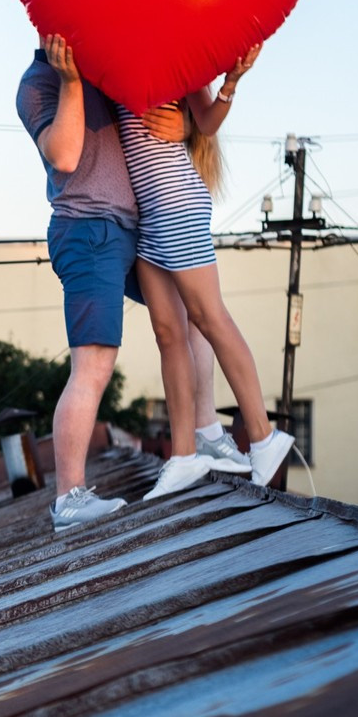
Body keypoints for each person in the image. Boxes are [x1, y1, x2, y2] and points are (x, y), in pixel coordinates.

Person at [18, 34, 214, 530]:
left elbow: (151, 125)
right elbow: (64, 155)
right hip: (89, 231)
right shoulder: (38, 84)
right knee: (93, 365)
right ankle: (69, 498)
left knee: (194, 317)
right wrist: (69, 80)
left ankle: (206, 434)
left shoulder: (103, 69)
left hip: (132, 227)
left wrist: (186, 121)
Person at [117, 45, 296, 492]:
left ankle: (263, 436)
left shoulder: (176, 50)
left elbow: (209, 121)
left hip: (177, 202)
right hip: (147, 215)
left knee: (209, 317)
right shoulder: (114, 48)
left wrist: (230, 85)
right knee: (169, 336)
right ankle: (184, 457)